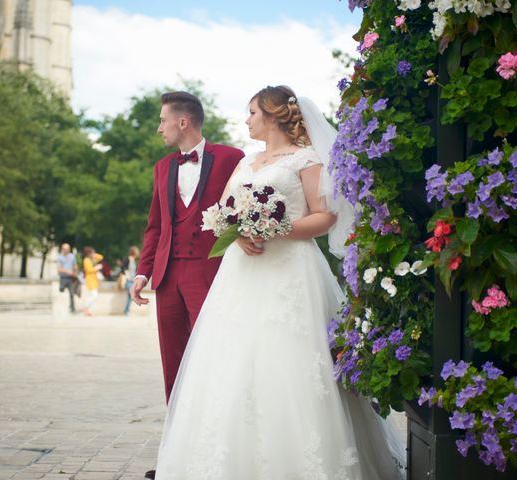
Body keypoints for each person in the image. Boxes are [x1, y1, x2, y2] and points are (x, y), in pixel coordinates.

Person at [153, 86, 406, 479]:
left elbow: (325, 216)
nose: (247, 120)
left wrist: (277, 229)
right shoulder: (246, 162)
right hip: (241, 273)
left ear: (272, 117)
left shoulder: (306, 160)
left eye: (252, 112)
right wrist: (238, 232)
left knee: (290, 362)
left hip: (291, 270)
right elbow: (222, 210)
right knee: (230, 361)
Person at [131, 91, 244, 403]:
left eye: (162, 120)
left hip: (210, 271)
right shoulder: (162, 167)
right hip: (167, 275)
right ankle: (178, 425)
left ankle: (218, 415)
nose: (159, 128)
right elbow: (155, 226)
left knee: (214, 348)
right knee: (173, 356)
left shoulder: (231, 158)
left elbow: (243, 211)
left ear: (182, 122)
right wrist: (143, 273)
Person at [56, 243, 78, 313]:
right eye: (64, 249)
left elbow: (75, 265)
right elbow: (59, 269)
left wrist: (75, 272)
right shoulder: (60, 257)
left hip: (71, 278)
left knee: (72, 293)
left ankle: (72, 308)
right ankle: (59, 307)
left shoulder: (72, 256)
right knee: (61, 291)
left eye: (67, 249)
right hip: (63, 277)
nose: (66, 250)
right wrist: (67, 271)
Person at [81, 246, 103, 316]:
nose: (94, 254)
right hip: (90, 280)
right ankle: (85, 308)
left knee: (92, 295)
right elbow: (89, 270)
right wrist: (97, 268)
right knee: (94, 295)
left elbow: (101, 257)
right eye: (92, 253)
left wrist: (94, 255)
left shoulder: (92, 259)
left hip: (94, 280)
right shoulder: (86, 260)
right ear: (89, 253)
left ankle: (87, 310)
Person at [122, 245, 140, 315]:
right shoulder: (128, 259)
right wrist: (127, 276)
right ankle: (126, 310)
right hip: (128, 281)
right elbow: (123, 268)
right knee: (132, 294)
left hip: (133, 281)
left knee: (130, 296)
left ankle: (126, 311)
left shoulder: (134, 261)